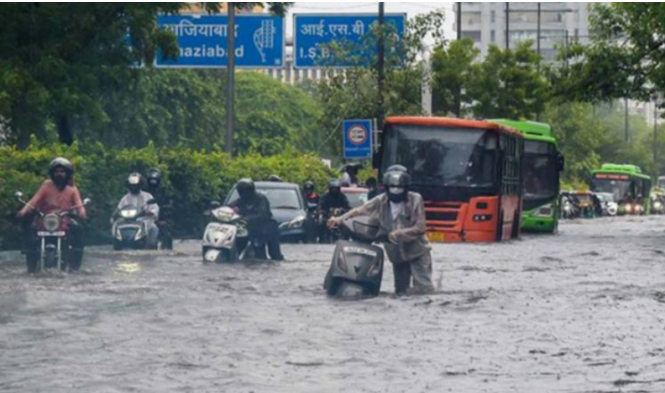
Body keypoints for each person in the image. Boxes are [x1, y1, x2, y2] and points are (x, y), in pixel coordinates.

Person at [328, 168, 435, 296]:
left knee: (424, 289)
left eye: (399, 188)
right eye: (392, 188)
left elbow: (420, 227)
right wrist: (339, 219)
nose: (396, 191)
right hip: (397, 254)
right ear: (386, 188)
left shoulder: (415, 199)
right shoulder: (380, 200)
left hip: (418, 251)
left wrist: (397, 234)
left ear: (406, 188)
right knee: (401, 292)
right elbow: (360, 210)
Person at [16, 157, 87, 272]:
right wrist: (23, 212)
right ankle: (31, 265)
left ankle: (75, 265)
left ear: (67, 174)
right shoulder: (46, 185)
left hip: (64, 221)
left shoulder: (72, 189)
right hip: (45, 220)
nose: (59, 174)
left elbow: (79, 206)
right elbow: (34, 201)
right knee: (29, 232)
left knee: (79, 230)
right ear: (52, 173)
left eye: (62, 172)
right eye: (57, 171)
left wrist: (82, 214)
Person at [228, 178, 284, 261]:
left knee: (274, 254)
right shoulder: (239, 202)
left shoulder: (261, 199)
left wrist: (248, 218)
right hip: (246, 229)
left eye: (246, 191)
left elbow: (263, 214)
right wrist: (217, 212)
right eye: (242, 191)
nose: (244, 194)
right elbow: (229, 208)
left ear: (251, 190)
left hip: (266, 229)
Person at [116, 173, 160, 248]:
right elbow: (119, 209)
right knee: (116, 225)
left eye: (135, 185)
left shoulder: (147, 196)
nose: (134, 187)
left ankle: (151, 246)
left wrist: (150, 212)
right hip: (127, 222)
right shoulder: (125, 198)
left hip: (144, 221)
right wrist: (115, 215)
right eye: (132, 185)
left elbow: (154, 208)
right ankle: (118, 244)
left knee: (153, 228)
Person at [146, 168, 173, 250]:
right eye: (151, 180)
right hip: (144, 215)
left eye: (155, 180)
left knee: (165, 228)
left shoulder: (163, 190)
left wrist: (166, 206)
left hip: (160, 215)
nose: (153, 182)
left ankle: (165, 247)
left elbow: (168, 202)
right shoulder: (143, 190)